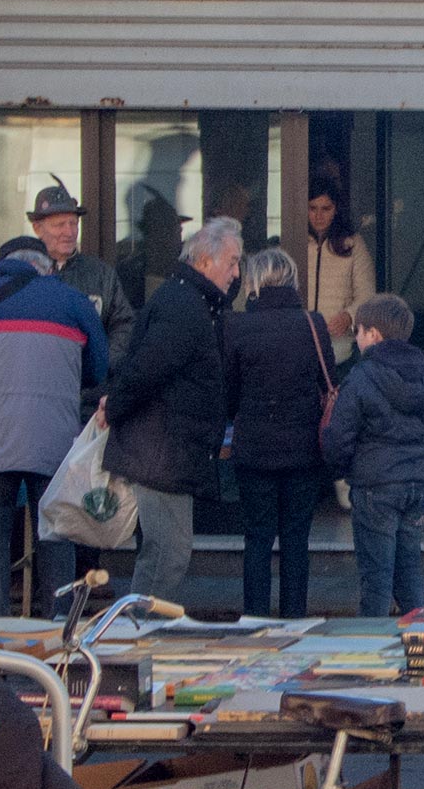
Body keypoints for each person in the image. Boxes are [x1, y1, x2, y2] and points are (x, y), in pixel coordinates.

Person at [0, 236, 108, 617]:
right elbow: (98, 370)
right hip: (55, 437)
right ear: (46, 268)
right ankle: (57, 627)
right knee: (56, 531)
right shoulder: (75, 302)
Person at [102, 217, 243, 601]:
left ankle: (140, 629)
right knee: (168, 553)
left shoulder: (189, 300)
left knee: (166, 551)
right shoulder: (185, 306)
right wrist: (113, 407)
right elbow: (146, 369)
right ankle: (138, 631)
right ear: (204, 261)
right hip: (163, 453)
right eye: (231, 262)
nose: (236, 272)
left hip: (168, 450)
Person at [322, 294, 424, 617]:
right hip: (418, 483)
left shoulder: (362, 377)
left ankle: (372, 648)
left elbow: (339, 438)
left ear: (374, 335)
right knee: (409, 573)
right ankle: (421, 643)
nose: (356, 338)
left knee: (376, 579)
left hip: (375, 485)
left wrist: (343, 470)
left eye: (359, 331)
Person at [223, 246, 332, 618]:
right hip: (303, 450)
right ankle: (293, 621)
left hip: (254, 448)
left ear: (254, 282)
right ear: (292, 280)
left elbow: (229, 393)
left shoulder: (237, 326)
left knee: (257, 538)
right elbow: (327, 380)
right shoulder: (313, 324)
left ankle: (253, 619)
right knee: (296, 540)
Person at [28, 180, 135, 416]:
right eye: (59, 225)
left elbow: (124, 324)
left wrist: (102, 364)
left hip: (90, 404)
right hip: (37, 402)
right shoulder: (25, 275)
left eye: (73, 223)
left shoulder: (100, 274)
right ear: (37, 227)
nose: (69, 232)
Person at [305, 159, 376, 367]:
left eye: (325, 209)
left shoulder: (353, 244)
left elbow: (366, 293)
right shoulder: (293, 243)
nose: (318, 216)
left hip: (339, 352)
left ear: (336, 209)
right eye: (312, 208)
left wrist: (348, 317)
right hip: (299, 350)